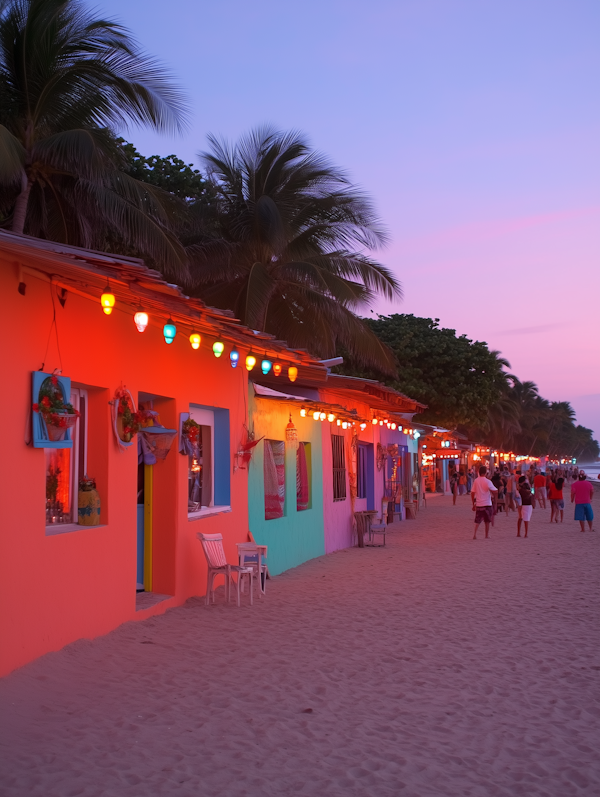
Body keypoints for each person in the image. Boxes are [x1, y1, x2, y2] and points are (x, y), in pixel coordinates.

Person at [471, 465, 498, 539]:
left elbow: (472, 492)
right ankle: (486, 535)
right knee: (487, 521)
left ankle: (475, 534)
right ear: (486, 472)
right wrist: (495, 500)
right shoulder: (488, 481)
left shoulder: (476, 481)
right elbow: (495, 491)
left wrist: (473, 504)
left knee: (477, 521)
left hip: (479, 503)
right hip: (487, 503)